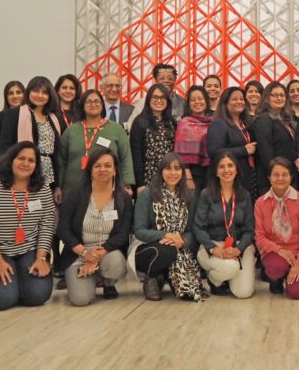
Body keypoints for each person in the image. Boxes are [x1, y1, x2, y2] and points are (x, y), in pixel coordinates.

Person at [0, 142, 54, 310]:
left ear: (36, 165)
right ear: (11, 160)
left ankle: (16, 285)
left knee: (38, 296)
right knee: (2, 299)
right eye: (21, 158)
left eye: (31, 160)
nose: (26, 164)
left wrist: (41, 258)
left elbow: (47, 223)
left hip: (27, 250)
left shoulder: (42, 189)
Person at [57, 147, 132, 305]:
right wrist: (85, 253)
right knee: (80, 301)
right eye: (97, 166)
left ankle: (107, 282)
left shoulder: (123, 198)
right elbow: (63, 229)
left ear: (115, 170)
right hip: (78, 253)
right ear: (90, 170)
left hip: (107, 252)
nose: (102, 169)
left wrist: (97, 255)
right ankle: (90, 277)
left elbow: (123, 234)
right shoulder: (75, 195)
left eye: (107, 165)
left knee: (116, 264)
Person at [131, 152, 205, 301]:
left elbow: (191, 230)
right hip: (147, 248)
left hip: (179, 247)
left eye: (177, 169)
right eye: (168, 168)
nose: (173, 173)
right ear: (160, 172)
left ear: (182, 172)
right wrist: (166, 235)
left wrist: (182, 241)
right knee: (166, 251)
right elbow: (139, 230)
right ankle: (151, 278)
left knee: (187, 292)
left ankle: (164, 276)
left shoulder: (190, 197)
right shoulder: (147, 194)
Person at [194, 151, 256, 298]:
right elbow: (198, 227)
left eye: (230, 166)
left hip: (238, 246)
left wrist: (238, 249)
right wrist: (212, 248)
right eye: (222, 167)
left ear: (236, 170)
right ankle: (214, 279)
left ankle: (227, 278)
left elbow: (249, 230)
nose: (226, 170)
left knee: (243, 293)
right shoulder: (206, 194)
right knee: (231, 267)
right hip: (212, 246)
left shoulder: (245, 195)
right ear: (216, 171)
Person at [255, 157, 299, 299]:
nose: (280, 178)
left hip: (297, 253)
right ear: (269, 178)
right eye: (276, 175)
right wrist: (279, 250)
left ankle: (296, 273)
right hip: (275, 252)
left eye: (285, 174)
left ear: (291, 177)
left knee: (297, 293)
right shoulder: (260, 203)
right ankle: (275, 279)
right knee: (276, 267)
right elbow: (260, 237)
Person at [58, 89, 134, 198]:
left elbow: (125, 158)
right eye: (89, 102)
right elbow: (61, 161)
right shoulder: (71, 130)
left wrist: (126, 183)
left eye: (97, 101)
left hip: (108, 189)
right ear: (82, 106)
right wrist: (58, 186)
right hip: (73, 190)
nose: (93, 104)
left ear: (102, 105)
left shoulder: (116, 129)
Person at [0, 76, 63, 202]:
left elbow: (56, 154)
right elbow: (5, 148)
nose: (40, 95)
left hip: (48, 175)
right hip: (22, 172)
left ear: (50, 95)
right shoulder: (14, 114)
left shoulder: (54, 118)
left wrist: (57, 185)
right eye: (36, 91)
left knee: (43, 213)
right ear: (28, 93)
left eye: (44, 92)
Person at [206, 87, 256, 194]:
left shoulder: (246, 124)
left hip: (247, 177)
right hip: (228, 179)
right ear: (225, 103)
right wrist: (244, 150)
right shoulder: (219, 124)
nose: (239, 102)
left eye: (242, 99)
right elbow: (214, 152)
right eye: (234, 99)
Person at [252, 82, 298, 196]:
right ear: (267, 98)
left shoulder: (284, 119)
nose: (279, 98)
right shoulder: (264, 119)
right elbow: (265, 152)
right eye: (275, 95)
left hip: (286, 176)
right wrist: (277, 175)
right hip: (273, 180)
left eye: (282, 95)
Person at [130, 84, 177, 192]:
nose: (159, 101)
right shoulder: (139, 122)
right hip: (147, 179)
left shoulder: (172, 122)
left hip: (170, 176)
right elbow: (136, 154)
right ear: (148, 99)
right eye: (155, 97)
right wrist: (140, 183)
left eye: (162, 97)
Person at [174, 85, 212, 192]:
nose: (197, 102)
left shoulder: (214, 122)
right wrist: (188, 177)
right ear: (189, 104)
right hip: (194, 174)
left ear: (206, 101)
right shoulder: (184, 123)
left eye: (200, 99)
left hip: (212, 172)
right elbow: (180, 154)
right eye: (193, 100)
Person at [126, 63, 186, 129]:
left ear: (175, 80)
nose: (166, 81)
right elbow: (131, 127)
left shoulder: (183, 103)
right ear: (155, 81)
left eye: (170, 78)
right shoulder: (143, 102)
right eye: (162, 78)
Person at [0, 80, 25, 161]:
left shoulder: (30, 117)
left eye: (18, 92)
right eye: (10, 93)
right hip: (4, 163)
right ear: (6, 97)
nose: (15, 96)